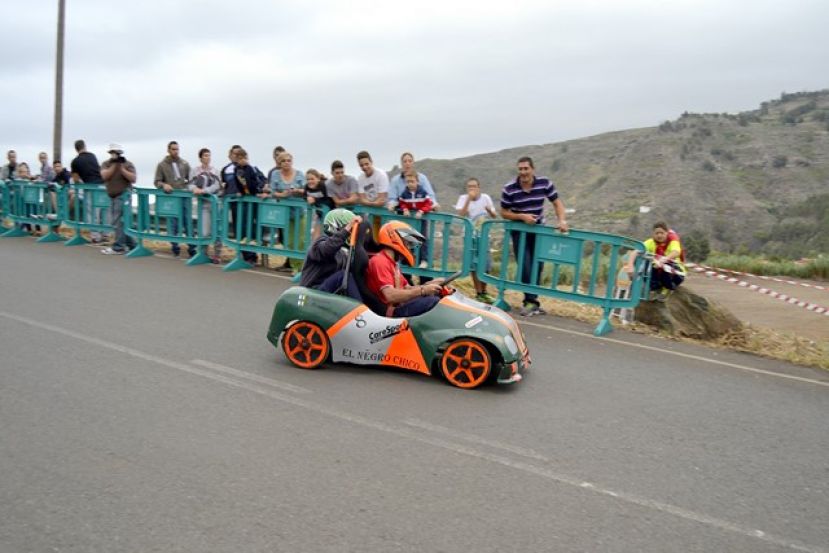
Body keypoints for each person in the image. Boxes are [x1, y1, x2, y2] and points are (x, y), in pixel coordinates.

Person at [500, 156, 569, 316]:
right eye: (520, 169)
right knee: (525, 265)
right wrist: (522, 217)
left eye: (526, 168)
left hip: (539, 230)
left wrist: (562, 221)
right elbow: (503, 212)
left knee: (538, 266)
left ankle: (533, 302)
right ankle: (529, 301)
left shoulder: (544, 183)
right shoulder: (509, 188)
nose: (523, 172)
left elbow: (557, 203)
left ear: (533, 169)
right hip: (519, 231)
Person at [366, 221, 444, 317]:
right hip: (389, 313)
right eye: (407, 242)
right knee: (432, 301)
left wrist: (430, 285)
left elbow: (408, 289)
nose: (409, 247)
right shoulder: (380, 261)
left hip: (397, 307)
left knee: (438, 297)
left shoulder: (392, 263)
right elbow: (390, 296)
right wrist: (423, 290)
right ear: (395, 238)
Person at [299, 208, 362, 300]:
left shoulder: (346, 250)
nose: (352, 233)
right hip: (311, 293)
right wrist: (346, 230)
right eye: (351, 230)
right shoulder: (319, 243)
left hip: (329, 293)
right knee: (343, 276)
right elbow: (327, 249)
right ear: (336, 227)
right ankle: (361, 311)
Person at [455, 177, 497, 303]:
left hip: (484, 235)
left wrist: (489, 209)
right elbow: (460, 215)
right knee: (474, 265)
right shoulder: (463, 199)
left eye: (474, 186)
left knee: (486, 265)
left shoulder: (485, 198)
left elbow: (494, 215)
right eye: (469, 186)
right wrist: (468, 198)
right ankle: (479, 293)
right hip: (469, 236)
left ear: (479, 188)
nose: (472, 189)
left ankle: (484, 291)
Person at [154, 140, 195, 258]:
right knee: (173, 224)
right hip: (171, 199)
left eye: (177, 149)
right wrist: (164, 185)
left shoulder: (184, 163)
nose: (175, 151)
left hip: (184, 197)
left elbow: (192, 179)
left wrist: (190, 186)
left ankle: (192, 249)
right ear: (168, 150)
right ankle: (175, 247)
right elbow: (157, 181)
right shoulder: (162, 165)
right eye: (173, 149)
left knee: (188, 223)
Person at [266, 151, 305, 271]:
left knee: (301, 241)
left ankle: (302, 267)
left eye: (288, 160)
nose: (286, 163)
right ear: (279, 163)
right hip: (284, 213)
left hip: (299, 211)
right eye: (283, 161)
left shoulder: (299, 174)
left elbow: (306, 190)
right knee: (289, 242)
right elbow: (271, 191)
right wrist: (281, 194)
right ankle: (295, 266)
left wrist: (297, 191)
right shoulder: (275, 174)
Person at [100, 144, 137, 255]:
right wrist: (114, 166)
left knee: (119, 222)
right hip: (112, 196)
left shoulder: (128, 164)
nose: (115, 155)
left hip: (123, 195)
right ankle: (132, 245)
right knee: (119, 222)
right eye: (113, 152)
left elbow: (133, 178)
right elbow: (104, 176)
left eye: (117, 153)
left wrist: (122, 168)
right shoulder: (106, 164)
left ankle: (118, 247)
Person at [189, 148, 223, 263]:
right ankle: (203, 253)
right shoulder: (195, 171)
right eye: (205, 156)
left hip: (215, 203)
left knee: (217, 230)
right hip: (203, 205)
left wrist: (205, 190)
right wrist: (194, 189)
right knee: (204, 231)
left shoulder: (215, 171)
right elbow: (190, 184)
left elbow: (217, 185)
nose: (208, 158)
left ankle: (217, 255)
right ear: (201, 158)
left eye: (209, 155)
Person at [70, 139, 104, 243]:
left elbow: (75, 179)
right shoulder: (93, 156)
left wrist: (80, 183)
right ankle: (105, 234)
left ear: (76, 149)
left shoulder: (75, 162)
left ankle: (95, 236)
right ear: (85, 146)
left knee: (91, 213)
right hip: (102, 186)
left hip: (89, 187)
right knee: (102, 210)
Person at [644, 221, 686, 301]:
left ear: (667, 233)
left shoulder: (673, 240)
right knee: (647, 261)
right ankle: (654, 288)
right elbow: (638, 249)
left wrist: (662, 261)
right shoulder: (650, 242)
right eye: (657, 233)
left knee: (665, 264)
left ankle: (668, 288)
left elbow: (676, 252)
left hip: (675, 272)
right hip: (659, 268)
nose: (659, 235)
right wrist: (630, 265)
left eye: (662, 233)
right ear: (653, 234)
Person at [305, 168, 334, 239]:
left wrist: (315, 200)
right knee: (315, 238)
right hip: (320, 215)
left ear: (318, 179)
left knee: (330, 237)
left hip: (331, 216)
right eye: (308, 179)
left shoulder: (323, 186)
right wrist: (307, 199)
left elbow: (329, 200)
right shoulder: (307, 187)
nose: (310, 181)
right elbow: (304, 196)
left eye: (312, 179)